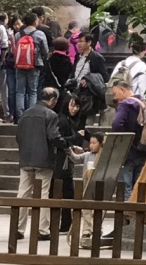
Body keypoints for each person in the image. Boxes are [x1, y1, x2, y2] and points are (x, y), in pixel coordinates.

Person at [15, 87, 64, 241]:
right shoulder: (51, 114)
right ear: (53, 100)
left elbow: (18, 136)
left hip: (26, 157)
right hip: (44, 158)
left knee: (23, 193)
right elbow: (53, 137)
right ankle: (42, 230)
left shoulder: (25, 114)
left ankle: (17, 228)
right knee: (43, 194)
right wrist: (66, 145)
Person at [110, 77, 146, 201]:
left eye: (115, 93)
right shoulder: (145, 102)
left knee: (126, 188)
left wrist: (121, 142)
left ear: (122, 90)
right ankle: (136, 218)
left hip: (128, 153)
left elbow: (117, 124)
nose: (115, 98)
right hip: (144, 151)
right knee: (139, 188)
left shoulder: (125, 104)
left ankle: (126, 217)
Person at [54, 93, 92, 232]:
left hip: (67, 161)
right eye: (72, 105)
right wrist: (76, 137)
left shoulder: (72, 120)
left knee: (67, 192)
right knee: (63, 191)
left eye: (77, 106)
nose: (75, 109)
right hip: (61, 162)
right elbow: (61, 140)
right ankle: (63, 222)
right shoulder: (62, 120)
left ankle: (66, 222)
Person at [12, 10, 49, 121]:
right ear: (35, 21)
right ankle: (31, 115)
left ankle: (20, 115)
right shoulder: (39, 34)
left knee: (20, 91)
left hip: (19, 65)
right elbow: (45, 51)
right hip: (34, 65)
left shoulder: (18, 34)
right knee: (32, 91)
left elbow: (13, 50)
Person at [47, 37, 74, 102]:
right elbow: (69, 73)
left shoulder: (50, 59)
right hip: (62, 86)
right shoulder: (66, 60)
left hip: (50, 85)